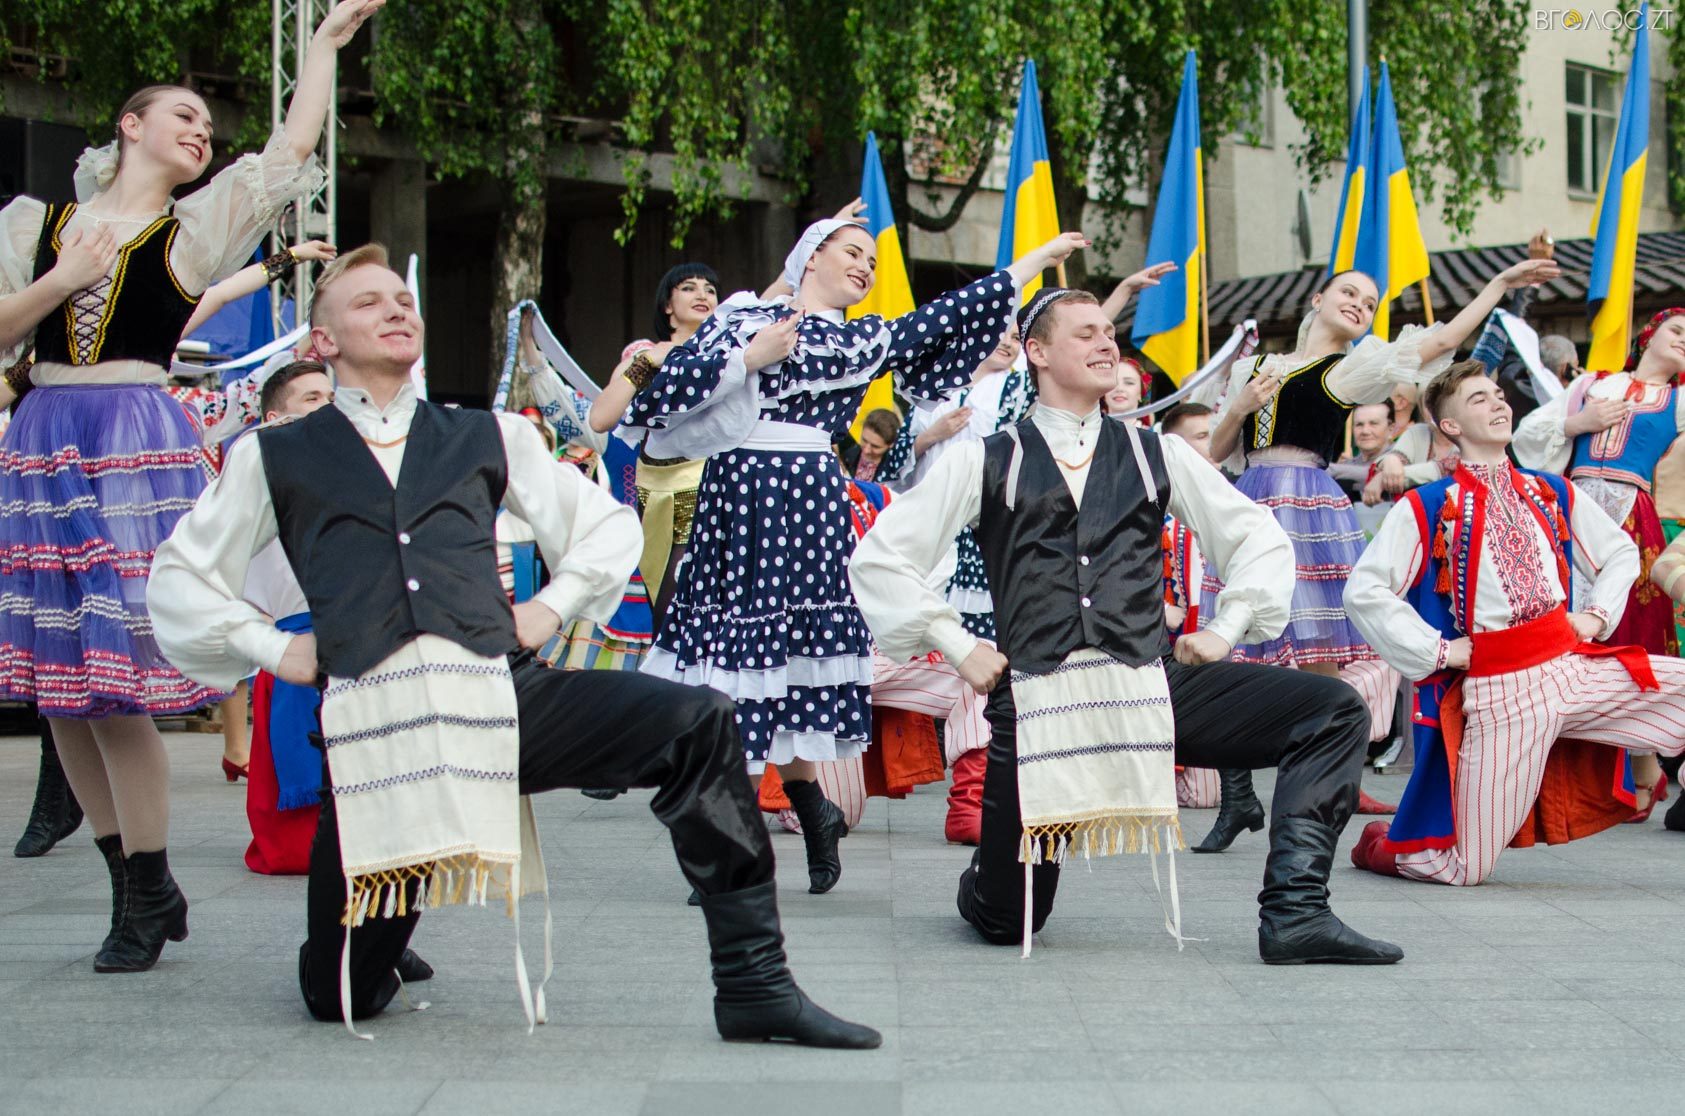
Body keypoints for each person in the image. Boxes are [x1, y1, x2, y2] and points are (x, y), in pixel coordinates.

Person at [147, 245, 879, 1047]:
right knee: (339, 994)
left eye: (402, 300)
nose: (396, 310)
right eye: (368, 303)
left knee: (699, 720)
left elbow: (604, 527)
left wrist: (548, 609)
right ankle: (376, 939)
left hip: (501, 696)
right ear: (322, 341)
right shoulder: (275, 455)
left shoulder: (488, 434)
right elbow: (179, 579)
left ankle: (754, 984)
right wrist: (276, 650)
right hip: (380, 735)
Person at [849, 286, 1402, 964]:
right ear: (1037, 352)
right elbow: (882, 557)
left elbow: (1254, 535)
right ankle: (986, 882)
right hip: (1040, 700)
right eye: (1085, 333)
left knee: (1334, 710)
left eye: (1109, 332)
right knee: (1008, 917)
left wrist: (1227, 627)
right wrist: (956, 644)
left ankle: (1296, 913)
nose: (1105, 342)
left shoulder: (1155, 452)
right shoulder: (984, 458)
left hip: (1147, 686)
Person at [0, 0, 378, 974]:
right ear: (129, 126)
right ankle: (134, 883)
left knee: (116, 682)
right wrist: (59, 281)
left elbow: (290, 151)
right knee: (63, 691)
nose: (202, 132)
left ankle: (147, 884)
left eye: (208, 125)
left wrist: (324, 45)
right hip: (45, 437)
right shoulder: (35, 226)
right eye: (184, 116)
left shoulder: (194, 231)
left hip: (131, 438)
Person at [623, 215, 1086, 896]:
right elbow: (661, 394)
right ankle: (784, 821)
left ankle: (783, 820)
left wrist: (1030, 264)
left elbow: (942, 316)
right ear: (810, 259)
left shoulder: (862, 339)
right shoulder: (746, 318)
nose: (866, 266)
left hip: (808, 498)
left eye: (871, 259)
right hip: (737, 493)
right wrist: (748, 358)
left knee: (788, 664)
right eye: (851, 252)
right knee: (733, 668)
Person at [1194, 259, 1558, 854]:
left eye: (1369, 302)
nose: (1360, 305)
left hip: (1307, 503)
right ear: (1318, 298)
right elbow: (1218, 447)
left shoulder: (1350, 369)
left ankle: (1322, 789)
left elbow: (1439, 340)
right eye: (1349, 293)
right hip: (1251, 501)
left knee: (1317, 654)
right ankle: (1238, 795)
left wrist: (1496, 286)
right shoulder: (1255, 368)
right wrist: (1240, 405)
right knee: (1231, 645)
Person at [1345, 361, 1685, 883]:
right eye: (1479, 399)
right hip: (1503, 692)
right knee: (1464, 868)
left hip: (1572, 666)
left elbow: (1619, 552)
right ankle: (1381, 847)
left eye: (1498, 394)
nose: (1498, 402)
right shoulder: (1428, 504)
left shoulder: (1551, 490)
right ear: (1450, 425)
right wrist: (1439, 651)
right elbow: (1364, 590)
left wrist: (1596, 615)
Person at [1512, 307, 1685, 819]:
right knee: (1562, 631)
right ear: (1648, 335)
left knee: (1632, 634)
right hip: (1571, 509)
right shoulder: (1592, 383)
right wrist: (1578, 423)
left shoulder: (1678, 402)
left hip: (1633, 516)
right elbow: (1529, 434)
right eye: (1677, 330)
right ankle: (1560, 773)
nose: (1684, 341)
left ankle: (1645, 768)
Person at [587, 263, 720, 627]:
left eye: (710, 289)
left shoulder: (731, 353)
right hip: (658, 494)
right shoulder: (647, 355)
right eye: (689, 288)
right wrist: (646, 363)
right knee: (665, 612)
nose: (702, 295)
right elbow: (601, 418)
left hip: (717, 488)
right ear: (667, 305)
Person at [843, 407, 901, 480]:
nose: (866, 450)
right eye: (864, 440)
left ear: (891, 444)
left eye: (875, 446)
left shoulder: (896, 470)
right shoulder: (848, 456)